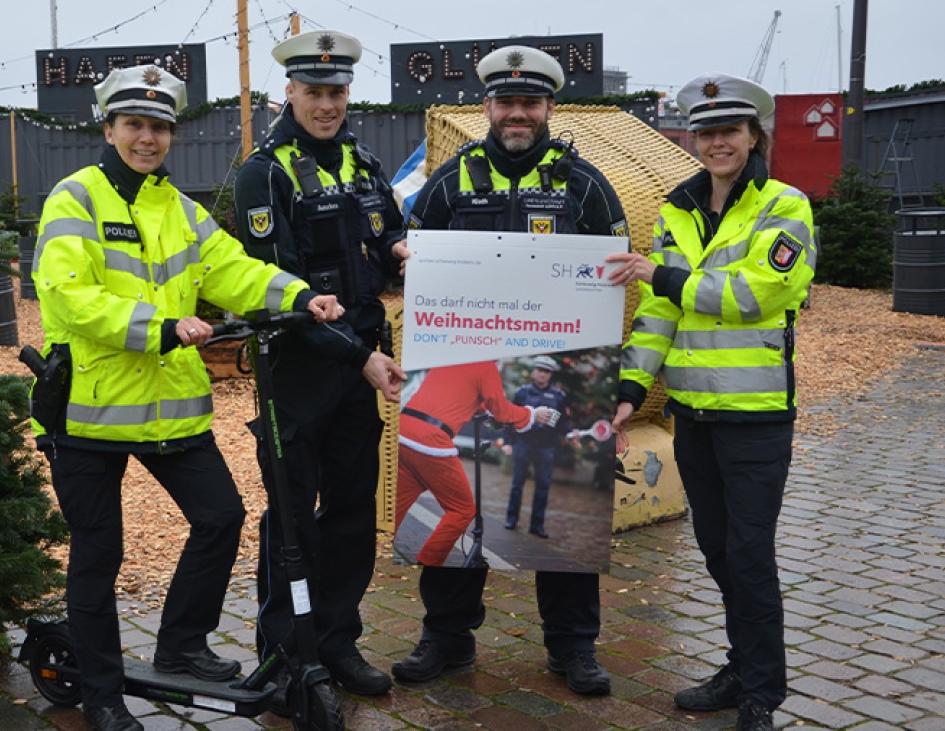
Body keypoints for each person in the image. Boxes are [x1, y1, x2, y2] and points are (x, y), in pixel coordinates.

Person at [31, 66, 343, 731]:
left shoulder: (178, 208)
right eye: (135, 125)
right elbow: (69, 297)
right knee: (99, 555)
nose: (148, 138)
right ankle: (103, 693)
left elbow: (233, 268)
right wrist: (161, 326)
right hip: (86, 413)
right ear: (110, 128)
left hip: (170, 407)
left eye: (159, 128)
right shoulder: (74, 200)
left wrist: (297, 295)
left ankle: (180, 641)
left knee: (221, 515)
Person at [391, 46, 627, 697]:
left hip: (560, 363)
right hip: (462, 372)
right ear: (488, 107)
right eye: (505, 101)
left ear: (549, 107)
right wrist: (407, 259)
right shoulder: (448, 181)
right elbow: (408, 262)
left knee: (568, 525)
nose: (517, 113)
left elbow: (620, 272)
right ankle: (447, 636)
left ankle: (572, 647)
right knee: (460, 508)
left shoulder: (586, 184)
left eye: (530, 102)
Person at [606, 73, 816, 731]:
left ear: (755, 135)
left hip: (754, 421)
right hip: (692, 417)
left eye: (730, 129)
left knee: (750, 554)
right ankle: (739, 665)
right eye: (706, 131)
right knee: (720, 550)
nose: (717, 141)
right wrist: (630, 388)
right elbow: (659, 315)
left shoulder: (785, 206)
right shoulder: (679, 209)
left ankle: (761, 691)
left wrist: (661, 273)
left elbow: (755, 294)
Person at [233, 29, 409, 699]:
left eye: (336, 92)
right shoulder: (265, 171)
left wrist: (401, 249)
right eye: (314, 92)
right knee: (292, 518)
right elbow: (280, 291)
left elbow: (386, 228)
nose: (326, 104)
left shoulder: (363, 162)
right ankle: (284, 656)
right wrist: (361, 356)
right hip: (300, 371)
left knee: (351, 511)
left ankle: (337, 641)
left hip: (360, 359)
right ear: (291, 92)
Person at [395, 360, 554, 565]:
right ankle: (429, 562)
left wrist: (480, 408)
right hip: (430, 441)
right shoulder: (485, 365)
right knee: (462, 510)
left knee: (398, 502)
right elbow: (502, 411)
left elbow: (457, 392)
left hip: (404, 431)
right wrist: (531, 414)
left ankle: (373, 548)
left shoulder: (455, 357)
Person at [500, 355, 569, 538]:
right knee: (517, 483)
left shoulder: (558, 396)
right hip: (525, 443)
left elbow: (564, 423)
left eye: (546, 371)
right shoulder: (523, 392)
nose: (542, 374)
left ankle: (537, 525)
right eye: (539, 370)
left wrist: (572, 434)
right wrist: (508, 442)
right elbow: (510, 418)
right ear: (533, 371)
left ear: (551, 374)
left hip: (546, 446)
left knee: (543, 486)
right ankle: (512, 519)